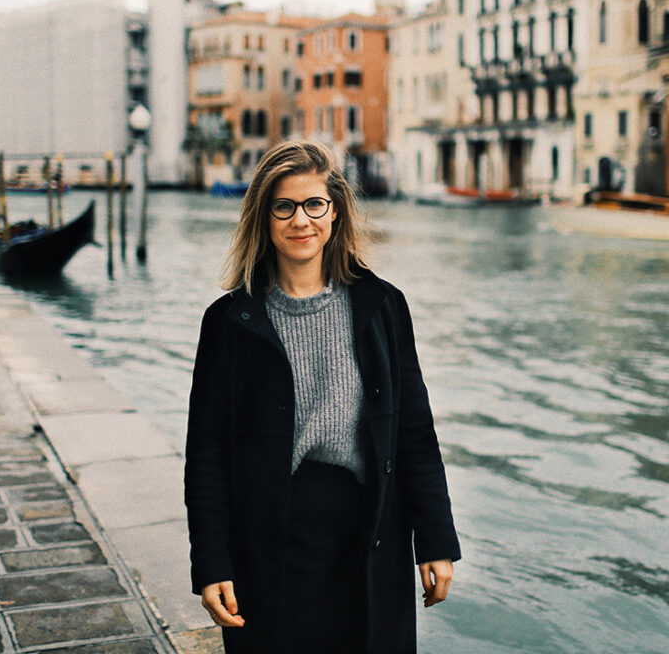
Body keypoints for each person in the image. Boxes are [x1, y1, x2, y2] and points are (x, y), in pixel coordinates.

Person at [184, 141, 461, 653]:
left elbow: (414, 432)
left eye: (315, 204)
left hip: (370, 532)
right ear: (263, 217)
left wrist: (436, 540)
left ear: (335, 211)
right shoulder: (228, 323)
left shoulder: (383, 307)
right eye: (283, 206)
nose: (300, 220)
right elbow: (206, 456)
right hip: (268, 538)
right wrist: (211, 563)